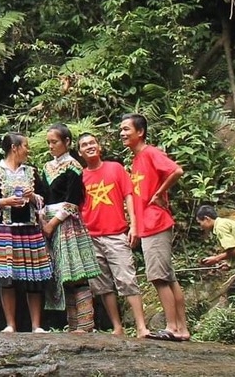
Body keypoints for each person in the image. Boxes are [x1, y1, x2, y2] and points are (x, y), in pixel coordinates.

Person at [121, 113, 189, 341]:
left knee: (159, 277)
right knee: (168, 277)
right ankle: (182, 328)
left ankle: (172, 327)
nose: (122, 133)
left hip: (156, 222)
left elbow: (176, 170)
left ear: (140, 132)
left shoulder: (150, 152)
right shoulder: (136, 159)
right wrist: (136, 228)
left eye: (126, 129)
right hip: (148, 225)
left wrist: (160, 193)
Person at [77, 131, 149, 337]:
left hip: (116, 233)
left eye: (92, 143)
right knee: (102, 285)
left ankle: (141, 326)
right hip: (91, 236)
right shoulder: (80, 177)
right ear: (80, 152)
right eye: (84, 145)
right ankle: (117, 326)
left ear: (99, 147)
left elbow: (129, 196)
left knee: (127, 278)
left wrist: (133, 226)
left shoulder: (115, 168)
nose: (89, 146)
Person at [0, 132, 52, 333]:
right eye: (25, 146)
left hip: (30, 229)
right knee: (7, 278)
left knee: (34, 278)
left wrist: (32, 197)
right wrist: (4, 202)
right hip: (5, 231)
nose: (28, 150)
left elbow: (45, 197)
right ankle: (10, 324)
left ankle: (36, 325)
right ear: (15, 148)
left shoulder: (31, 172)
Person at [40, 124, 101, 332]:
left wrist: (52, 223)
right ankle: (73, 323)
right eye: (48, 142)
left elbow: (72, 200)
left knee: (76, 274)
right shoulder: (47, 167)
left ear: (66, 143)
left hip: (66, 224)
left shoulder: (73, 166)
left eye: (54, 142)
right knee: (63, 276)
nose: (51, 146)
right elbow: (44, 197)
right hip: (48, 222)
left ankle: (85, 324)